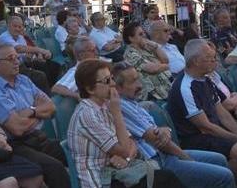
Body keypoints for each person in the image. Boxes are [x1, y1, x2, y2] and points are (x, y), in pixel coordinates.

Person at [112, 62, 235, 188]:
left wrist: (166, 130)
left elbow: (160, 132)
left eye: (138, 79)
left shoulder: (131, 101)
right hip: (158, 161)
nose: (139, 85)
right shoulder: (122, 106)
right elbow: (156, 139)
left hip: (167, 153)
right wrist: (186, 157)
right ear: (118, 88)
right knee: (225, 177)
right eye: (132, 82)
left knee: (219, 159)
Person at [67, 59, 183, 188]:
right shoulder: (87, 114)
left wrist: (125, 158)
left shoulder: (105, 106)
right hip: (101, 181)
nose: (113, 84)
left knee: (164, 177)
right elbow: (126, 149)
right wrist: (117, 113)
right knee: (166, 179)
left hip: (118, 173)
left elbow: (131, 142)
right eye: (106, 81)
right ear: (90, 89)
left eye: (111, 78)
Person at [0, 44, 70, 188]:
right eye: (10, 58)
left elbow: (51, 107)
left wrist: (31, 111)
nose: (16, 61)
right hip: (16, 145)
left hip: (37, 137)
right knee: (55, 168)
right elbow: (17, 128)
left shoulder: (23, 80)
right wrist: (39, 112)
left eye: (16, 57)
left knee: (74, 150)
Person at [167, 39, 237, 175]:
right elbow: (205, 127)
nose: (214, 61)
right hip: (196, 138)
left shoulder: (206, 79)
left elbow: (223, 114)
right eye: (209, 57)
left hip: (213, 132)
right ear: (196, 61)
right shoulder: (185, 87)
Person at [0, 15, 60, 87]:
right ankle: (42, 94)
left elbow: (26, 53)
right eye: (15, 26)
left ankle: (51, 89)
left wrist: (34, 57)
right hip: (12, 67)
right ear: (8, 26)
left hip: (23, 63)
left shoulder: (20, 37)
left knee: (54, 66)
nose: (17, 29)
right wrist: (41, 51)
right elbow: (19, 49)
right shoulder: (4, 37)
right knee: (40, 76)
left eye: (20, 27)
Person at [122, 22, 172, 101]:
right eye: (140, 34)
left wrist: (155, 46)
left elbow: (165, 60)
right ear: (131, 38)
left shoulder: (147, 46)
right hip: (154, 95)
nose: (144, 36)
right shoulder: (130, 54)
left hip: (166, 87)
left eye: (144, 33)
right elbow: (153, 69)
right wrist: (166, 66)